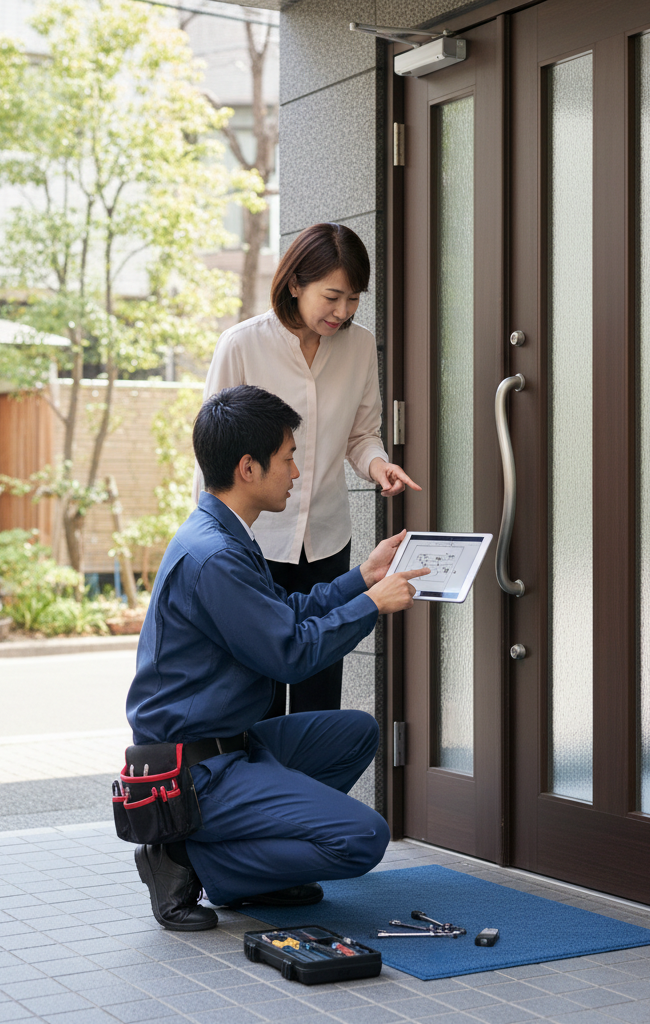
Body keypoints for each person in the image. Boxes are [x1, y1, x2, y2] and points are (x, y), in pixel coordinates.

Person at [128, 385, 428, 931]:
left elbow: (284, 613)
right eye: (288, 458)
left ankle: (251, 867)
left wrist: (362, 577)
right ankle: (188, 859)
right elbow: (289, 653)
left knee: (355, 732)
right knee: (364, 838)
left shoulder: (222, 533)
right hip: (197, 771)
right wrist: (370, 606)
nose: (296, 473)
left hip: (231, 745)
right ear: (248, 467)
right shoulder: (215, 555)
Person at [196, 222, 421, 717]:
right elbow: (211, 453)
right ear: (295, 283)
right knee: (262, 693)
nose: (343, 312)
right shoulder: (241, 345)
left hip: (326, 537)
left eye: (354, 298)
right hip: (255, 543)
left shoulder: (359, 347)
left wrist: (378, 465)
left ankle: (314, 794)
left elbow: (362, 435)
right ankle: (269, 794)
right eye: (332, 296)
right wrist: (211, 541)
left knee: (321, 694)